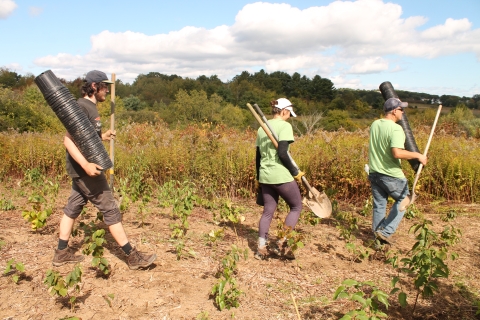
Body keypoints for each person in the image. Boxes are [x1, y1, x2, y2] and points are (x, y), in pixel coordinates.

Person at [52, 70, 157, 270]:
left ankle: (61, 253)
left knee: (73, 207)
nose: (107, 91)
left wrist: (103, 136)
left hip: (85, 169)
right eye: (104, 87)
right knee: (110, 208)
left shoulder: (90, 108)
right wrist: (86, 165)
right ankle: (132, 256)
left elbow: (86, 138)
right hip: (87, 170)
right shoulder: (81, 107)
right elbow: (68, 140)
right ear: (94, 86)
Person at [368, 97, 427, 245]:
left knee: (379, 205)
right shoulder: (396, 129)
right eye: (401, 109)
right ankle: (385, 232)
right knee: (405, 199)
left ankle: (377, 238)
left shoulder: (375, 124)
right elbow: (397, 153)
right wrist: (418, 155)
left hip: (374, 173)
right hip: (391, 174)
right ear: (394, 111)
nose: (403, 112)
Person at [254, 98, 304, 260]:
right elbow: (282, 153)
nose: (289, 116)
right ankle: (281, 243)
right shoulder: (285, 126)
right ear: (283, 111)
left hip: (265, 174)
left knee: (268, 211)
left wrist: (258, 178)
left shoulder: (262, 128)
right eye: (288, 113)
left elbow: (258, 156)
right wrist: (295, 172)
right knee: (296, 206)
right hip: (280, 174)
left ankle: (261, 247)